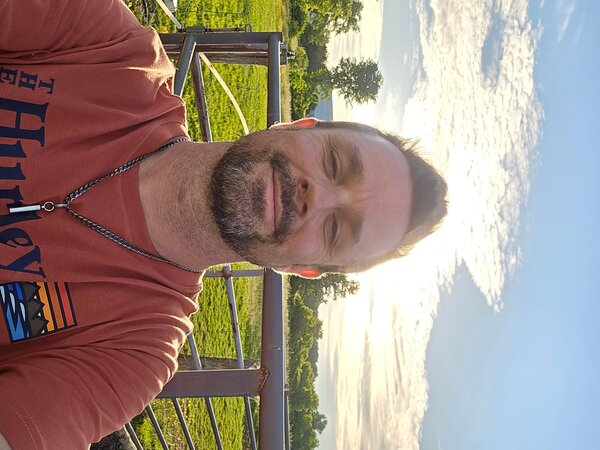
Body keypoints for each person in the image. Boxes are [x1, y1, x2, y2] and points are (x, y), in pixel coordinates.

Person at [0, 1, 447, 448]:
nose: (318, 198)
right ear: (295, 126)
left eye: (336, 230)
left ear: (301, 270)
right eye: (334, 162)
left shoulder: (133, 356)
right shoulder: (114, 50)